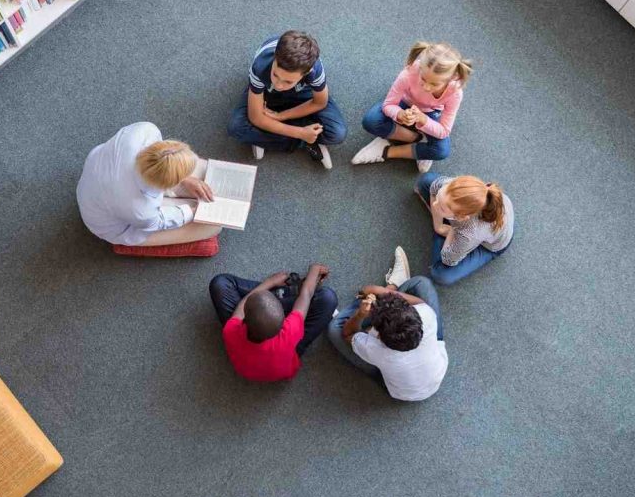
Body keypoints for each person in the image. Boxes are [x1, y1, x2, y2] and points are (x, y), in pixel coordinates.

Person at [327, 247, 448, 401]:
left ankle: (375, 298)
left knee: (334, 329)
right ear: (414, 314)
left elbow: (347, 334)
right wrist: (380, 291)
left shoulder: (376, 350)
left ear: (378, 335)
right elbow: (421, 303)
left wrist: (360, 314)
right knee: (421, 283)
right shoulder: (426, 315)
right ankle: (390, 288)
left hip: (400, 392)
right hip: (436, 375)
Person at [76, 122, 222, 246]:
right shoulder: (141, 211)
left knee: (203, 172)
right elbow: (161, 220)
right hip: (116, 223)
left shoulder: (144, 131)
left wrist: (186, 178)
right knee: (212, 228)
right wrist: (193, 211)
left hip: (101, 179)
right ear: (167, 184)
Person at [227, 30, 347, 170]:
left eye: (287, 81)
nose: (278, 85)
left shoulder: (315, 70)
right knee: (235, 127)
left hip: (302, 93)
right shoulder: (260, 66)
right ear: (274, 59)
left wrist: (279, 116)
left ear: (306, 73)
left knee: (338, 133)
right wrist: (301, 133)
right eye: (275, 75)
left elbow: (320, 102)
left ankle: (266, 135)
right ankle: (307, 141)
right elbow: (256, 117)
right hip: (267, 93)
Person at [351, 41, 473, 173]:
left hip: (431, 113)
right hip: (405, 103)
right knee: (371, 121)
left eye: (434, 84)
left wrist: (423, 120)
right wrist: (399, 114)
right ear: (420, 67)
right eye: (423, 79)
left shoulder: (455, 92)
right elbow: (389, 104)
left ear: (451, 78)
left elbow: (444, 131)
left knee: (441, 151)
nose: (426, 87)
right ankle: (418, 139)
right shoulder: (409, 73)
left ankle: (386, 151)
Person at [209, 264, 337, 382]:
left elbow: (243, 305)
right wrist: (314, 270)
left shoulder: (231, 330)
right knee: (328, 298)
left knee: (220, 283)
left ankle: (276, 295)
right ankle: (283, 297)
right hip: (287, 357)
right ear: (283, 323)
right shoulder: (288, 332)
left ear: (244, 320)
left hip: (248, 369)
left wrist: (270, 282)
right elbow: (306, 295)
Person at [416, 173, 514, 285]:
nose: (434, 204)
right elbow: (435, 188)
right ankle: (446, 227)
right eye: (438, 198)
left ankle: (450, 235)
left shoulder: (469, 234)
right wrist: (438, 227)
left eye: (441, 207)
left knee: (440, 275)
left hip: (492, 244)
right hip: (472, 225)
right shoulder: (447, 185)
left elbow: (448, 259)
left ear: (461, 217)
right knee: (426, 180)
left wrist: (453, 230)